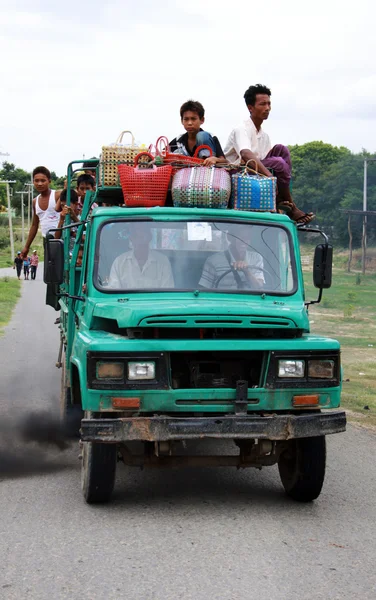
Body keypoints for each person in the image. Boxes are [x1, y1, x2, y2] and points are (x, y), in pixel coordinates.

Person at [224, 84, 314, 225]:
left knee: (281, 150)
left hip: (254, 173)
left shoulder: (263, 135)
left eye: (269, 104)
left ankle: (281, 199)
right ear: (250, 107)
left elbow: (264, 159)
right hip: (237, 173)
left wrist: (270, 177)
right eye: (262, 104)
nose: (267, 108)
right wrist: (270, 178)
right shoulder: (241, 129)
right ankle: (292, 208)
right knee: (278, 163)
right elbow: (246, 154)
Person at [107, 224, 174, 289]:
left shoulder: (163, 262)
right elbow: (114, 294)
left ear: (149, 237)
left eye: (142, 236)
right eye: (136, 236)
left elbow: (167, 295)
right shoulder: (119, 263)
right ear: (131, 238)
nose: (139, 241)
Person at [199, 225, 264, 290]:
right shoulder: (213, 261)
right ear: (229, 237)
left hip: (249, 299)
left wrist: (246, 271)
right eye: (239, 238)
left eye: (247, 238)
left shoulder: (256, 258)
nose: (244, 241)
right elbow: (203, 290)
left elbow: (259, 287)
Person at [169, 100, 227, 167]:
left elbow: (225, 161)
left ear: (202, 120)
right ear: (182, 121)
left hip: (207, 173)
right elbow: (161, 155)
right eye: (186, 119)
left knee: (202, 135)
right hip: (185, 175)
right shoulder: (178, 141)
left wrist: (215, 159)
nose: (189, 123)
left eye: (193, 119)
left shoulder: (210, 137)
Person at [21, 166, 61, 257]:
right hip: (46, 240)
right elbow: (34, 225)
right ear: (33, 182)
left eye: (43, 181)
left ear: (49, 181)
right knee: (50, 268)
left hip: (60, 239)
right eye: (36, 181)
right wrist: (26, 247)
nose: (39, 183)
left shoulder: (57, 195)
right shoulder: (35, 201)